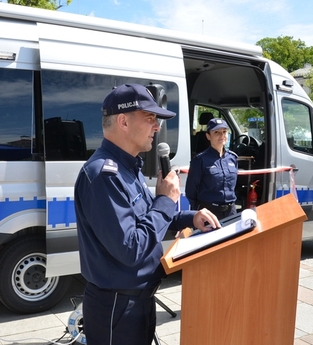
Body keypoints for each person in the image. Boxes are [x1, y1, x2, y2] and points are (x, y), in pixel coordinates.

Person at [74, 84, 220, 345]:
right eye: (150, 118)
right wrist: (166, 201)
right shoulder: (104, 175)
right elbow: (130, 247)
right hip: (117, 308)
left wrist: (190, 217)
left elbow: (147, 218)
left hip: (137, 301)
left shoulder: (128, 167)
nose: (157, 127)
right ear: (123, 121)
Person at [185, 118, 238, 219]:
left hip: (231, 212)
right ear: (208, 136)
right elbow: (191, 190)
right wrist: (198, 210)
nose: (222, 135)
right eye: (216, 132)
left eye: (224, 132)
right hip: (208, 212)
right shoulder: (200, 160)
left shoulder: (232, 158)